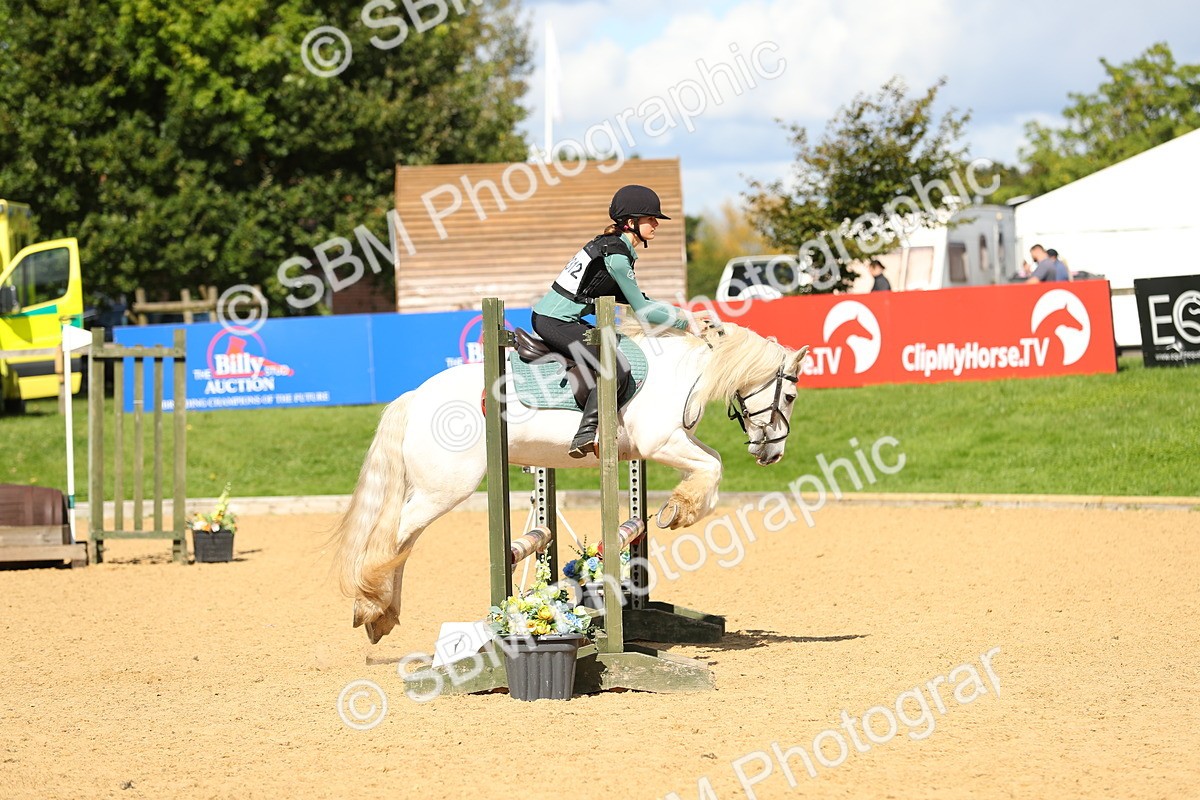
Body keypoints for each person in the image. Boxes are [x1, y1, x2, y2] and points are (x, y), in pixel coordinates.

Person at [531, 184, 701, 458]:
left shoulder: (614, 249)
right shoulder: (617, 257)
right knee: (617, 369)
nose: (656, 223)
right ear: (631, 222)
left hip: (562, 319)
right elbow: (643, 311)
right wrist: (686, 324)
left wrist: (684, 315)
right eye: (651, 218)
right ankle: (586, 432)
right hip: (554, 322)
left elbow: (641, 300)